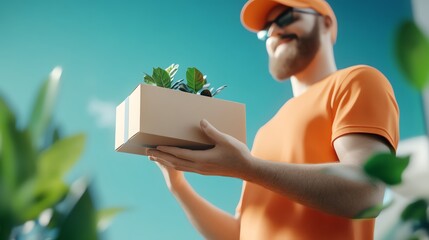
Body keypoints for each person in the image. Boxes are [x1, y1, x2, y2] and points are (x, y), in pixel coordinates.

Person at [147, 0, 399, 239]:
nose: (275, 30)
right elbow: (239, 234)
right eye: (267, 29)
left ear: (326, 23)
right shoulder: (265, 133)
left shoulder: (357, 81)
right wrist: (178, 186)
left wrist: (248, 167)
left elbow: (368, 190)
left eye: (287, 16)